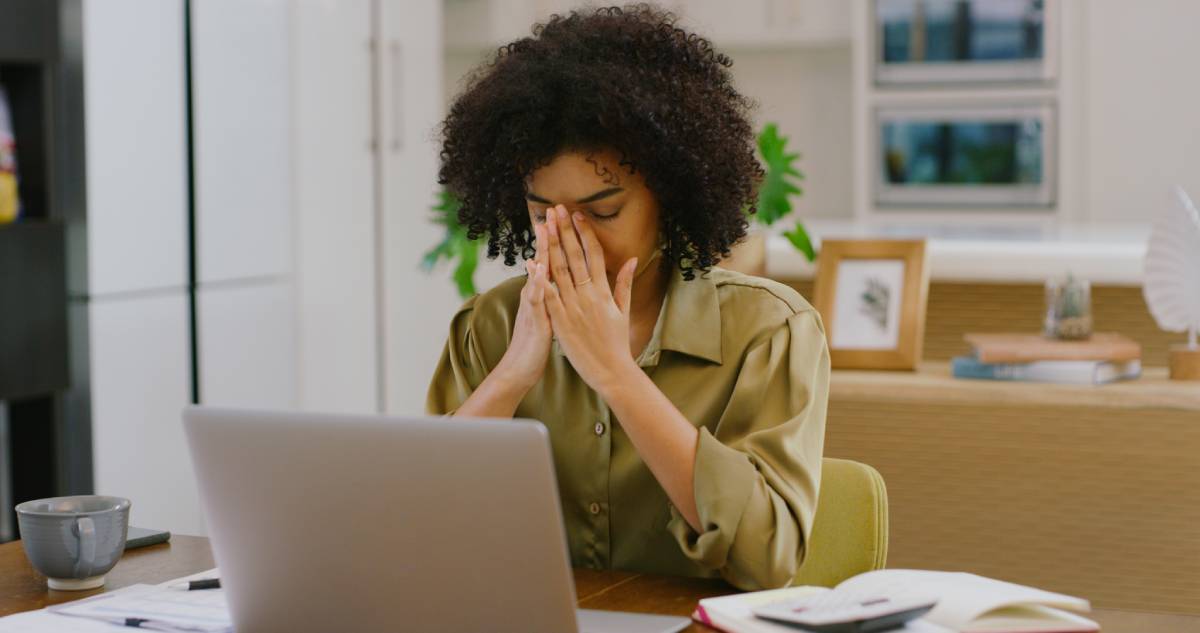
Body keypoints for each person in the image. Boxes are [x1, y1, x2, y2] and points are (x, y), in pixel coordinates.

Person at [426, 4, 829, 591]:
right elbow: (423, 528)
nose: (571, 237)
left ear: (667, 193)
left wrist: (616, 373)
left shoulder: (770, 331)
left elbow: (767, 559)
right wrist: (511, 376)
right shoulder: (488, 325)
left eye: (604, 211)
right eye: (543, 214)